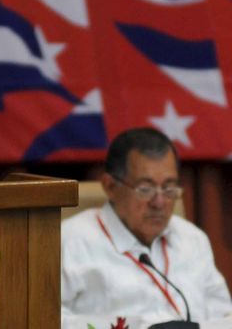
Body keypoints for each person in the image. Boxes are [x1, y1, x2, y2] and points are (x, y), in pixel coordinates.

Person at [61, 127, 232, 326]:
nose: (159, 202)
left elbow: (224, 317)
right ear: (110, 186)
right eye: (145, 189)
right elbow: (44, 319)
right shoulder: (71, 241)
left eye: (169, 188)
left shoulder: (192, 239)